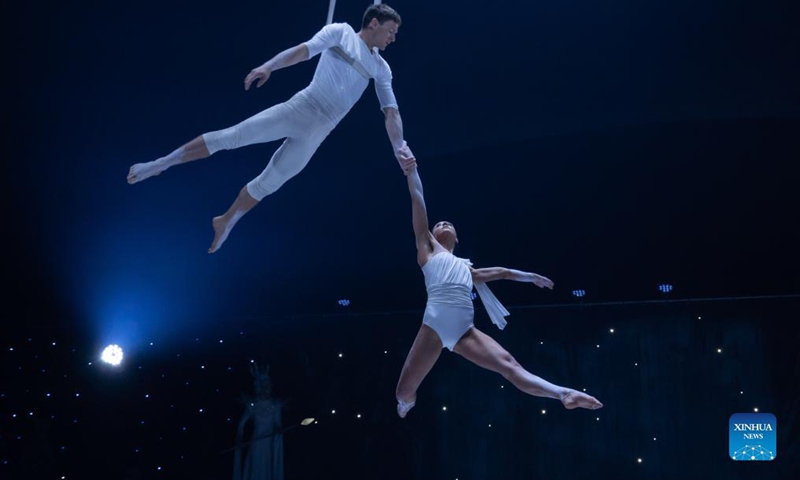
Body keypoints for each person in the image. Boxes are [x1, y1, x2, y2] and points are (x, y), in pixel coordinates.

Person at [127, 4, 414, 253]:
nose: (393, 37)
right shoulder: (341, 33)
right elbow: (303, 51)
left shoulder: (381, 67)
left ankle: (226, 220)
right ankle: (161, 163)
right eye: (391, 30)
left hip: (319, 132)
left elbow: (391, 112)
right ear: (374, 23)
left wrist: (399, 147)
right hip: (300, 109)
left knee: (270, 183)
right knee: (233, 136)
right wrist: (269, 66)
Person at [394, 154, 603, 418]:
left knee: (510, 366)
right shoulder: (426, 250)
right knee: (403, 392)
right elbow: (418, 199)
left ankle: (562, 393)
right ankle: (406, 403)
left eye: (448, 224)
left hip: (464, 331)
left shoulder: (469, 271)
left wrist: (531, 277)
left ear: (457, 238)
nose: (443, 223)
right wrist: (411, 170)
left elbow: (503, 273)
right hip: (433, 326)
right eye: (438, 224)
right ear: (432, 234)